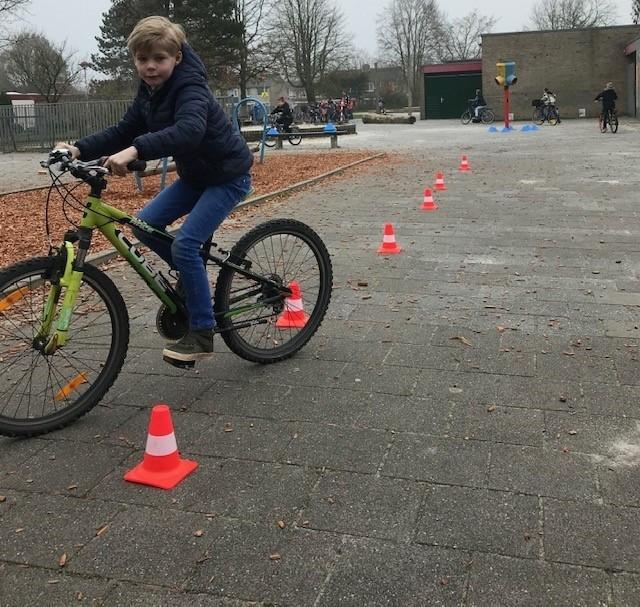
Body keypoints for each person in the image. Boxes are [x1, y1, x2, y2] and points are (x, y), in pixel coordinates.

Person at [54, 16, 253, 364]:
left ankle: (202, 332)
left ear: (176, 58)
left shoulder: (191, 87)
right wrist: (78, 148)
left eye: (158, 59)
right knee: (144, 225)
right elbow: (125, 128)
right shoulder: (150, 92)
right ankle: (192, 280)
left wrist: (136, 150)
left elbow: (189, 130)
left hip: (227, 175)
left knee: (188, 245)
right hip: (196, 175)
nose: (149, 66)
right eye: (142, 59)